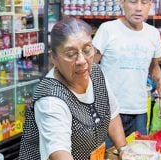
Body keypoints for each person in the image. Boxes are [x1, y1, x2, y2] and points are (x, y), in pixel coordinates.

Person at [19, 18, 127, 160]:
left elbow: (112, 116)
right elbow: (59, 152)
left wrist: (125, 152)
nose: (82, 61)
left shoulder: (95, 72)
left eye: (87, 49)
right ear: (54, 58)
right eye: (71, 54)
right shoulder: (51, 99)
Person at [92, 0, 161, 139]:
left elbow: (154, 68)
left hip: (139, 110)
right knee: (108, 155)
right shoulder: (107, 29)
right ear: (122, 3)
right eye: (133, 2)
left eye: (144, 3)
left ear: (150, 5)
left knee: (138, 153)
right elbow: (90, 66)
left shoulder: (153, 34)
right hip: (109, 110)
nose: (138, 8)